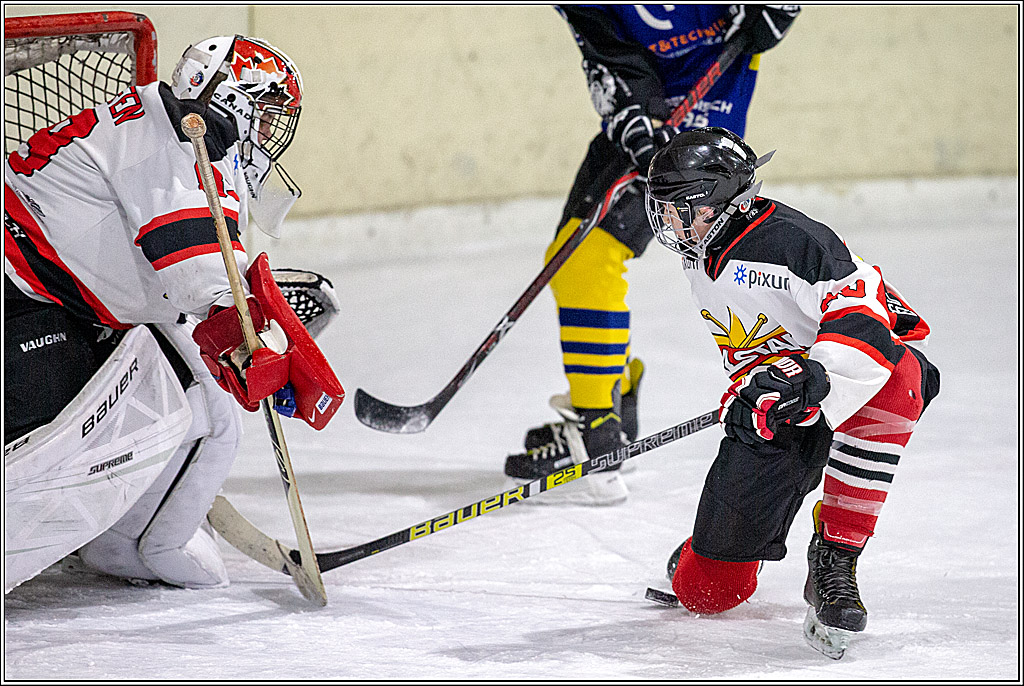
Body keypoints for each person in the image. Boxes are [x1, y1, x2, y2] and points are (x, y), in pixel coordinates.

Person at [4, 35, 344, 593]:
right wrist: (249, 341)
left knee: (209, 410)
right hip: (23, 303)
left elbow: (210, 273)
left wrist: (250, 333)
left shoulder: (181, 131)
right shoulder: (171, 151)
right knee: (170, 408)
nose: (266, 135)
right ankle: (133, 543)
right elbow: (201, 283)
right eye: (263, 115)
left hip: (59, 300)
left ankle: (124, 539)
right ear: (225, 97)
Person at [644, 127, 940, 653]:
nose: (670, 224)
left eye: (681, 210)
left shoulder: (795, 242)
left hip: (848, 383)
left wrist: (815, 377)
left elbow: (869, 315)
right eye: (663, 210)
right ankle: (712, 550)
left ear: (723, 203)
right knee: (707, 592)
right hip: (791, 403)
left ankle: (836, 556)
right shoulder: (702, 250)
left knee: (903, 379)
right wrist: (754, 393)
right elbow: (752, 346)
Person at [504, 5, 801, 505]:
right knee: (572, 256)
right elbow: (608, 50)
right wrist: (636, 120)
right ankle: (609, 403)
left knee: (585, 259)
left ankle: (597, 425)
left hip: (705, 123)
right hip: (644, 114)